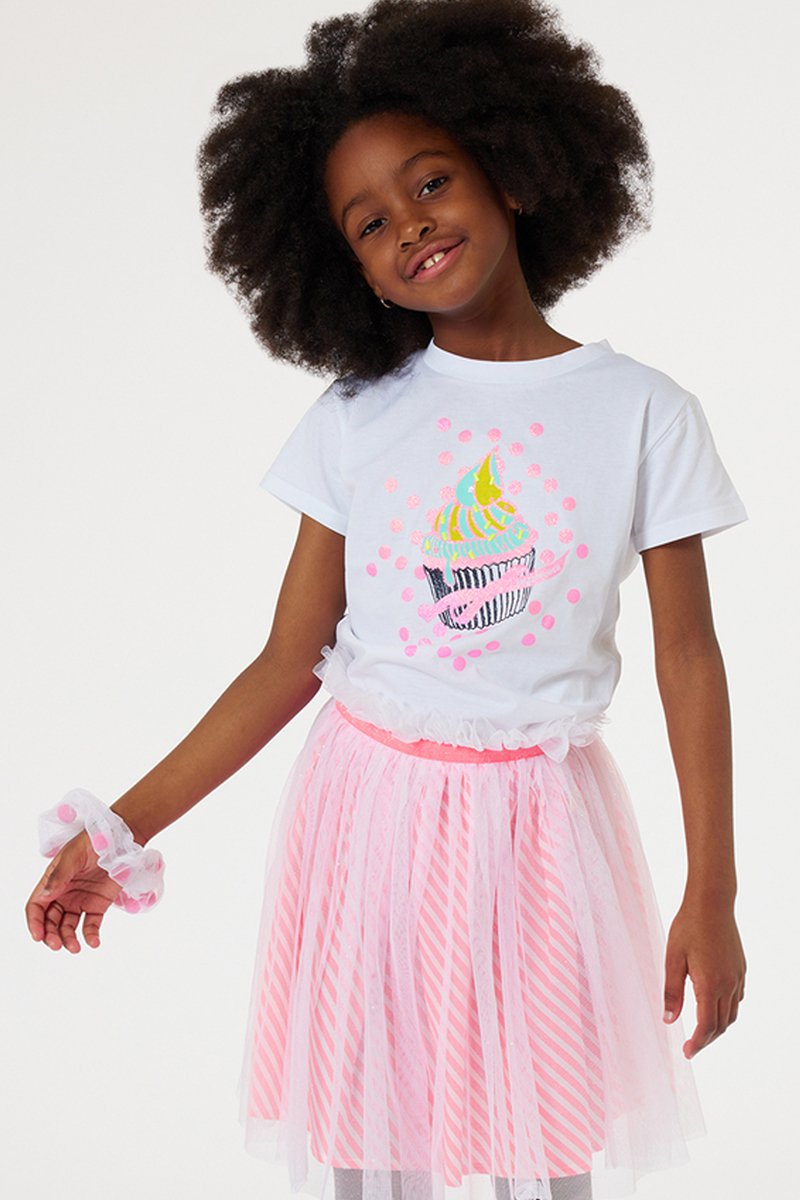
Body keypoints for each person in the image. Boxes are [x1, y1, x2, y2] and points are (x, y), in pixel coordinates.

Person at [25, 2, 749, 1199]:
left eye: (430, 182)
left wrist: (710, 890)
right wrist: (120, 829)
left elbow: (688, 658)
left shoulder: (641, 412)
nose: (408, 222)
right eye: (369, 222)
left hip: (540, 837)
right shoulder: (359, 421)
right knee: (376, 1135)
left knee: (540, 1136)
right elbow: (285, 662)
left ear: (508, 168)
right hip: (369, 824)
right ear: (345, 268)